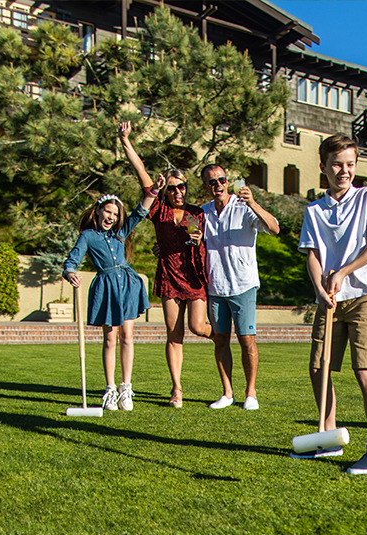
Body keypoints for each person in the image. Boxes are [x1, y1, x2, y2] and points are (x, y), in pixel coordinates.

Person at [293, 133, 367, 475]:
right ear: (323, 167)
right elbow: (313, 255)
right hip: (330, 299)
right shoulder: (314, 210)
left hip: (364, 294)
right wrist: (320, 286)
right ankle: (329, 438)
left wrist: (345, 271)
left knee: (364, 370)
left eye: (350, 164)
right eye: (337, 164)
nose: (344, 171)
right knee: (319, 367)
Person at [118, 121, 213, 408]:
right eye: (172, 188)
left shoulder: (197, 212)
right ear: (166, 191)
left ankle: (221, 336)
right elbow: (142, 175)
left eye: (181, 187)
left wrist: (198, 241)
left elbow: (205, 242)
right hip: (169, 277)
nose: (177, 192)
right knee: (174, 335)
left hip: (193, 277)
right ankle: (177, 389)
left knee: (198, 326)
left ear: (187, 187)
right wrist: (125, 141)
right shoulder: (158, 210)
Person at [63, 174, 166, 411]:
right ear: (98, 211)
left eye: (115, 214)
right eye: (108, 212)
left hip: (128, 285)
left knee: (127, 337)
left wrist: (154, 191)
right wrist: (70, 273)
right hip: (107, 287)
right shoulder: (88, 236)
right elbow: (72, 261)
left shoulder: (121, 232)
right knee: (110, 338)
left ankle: (126, 388)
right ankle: (110, 390)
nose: (111, 217)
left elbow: (140, 212)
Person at [200, 164, 280, 410]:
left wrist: (253, 203)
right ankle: (227, 393)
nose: (218, 185)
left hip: (243, 285)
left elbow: (275, 228)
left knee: (247, 340)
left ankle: (251, 393)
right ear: (206, 186)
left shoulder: (243, 207)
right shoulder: (202, 213)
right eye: (212, 182)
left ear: (228, 181)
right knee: (220, 341)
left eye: (221, 180)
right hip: (215, 287)